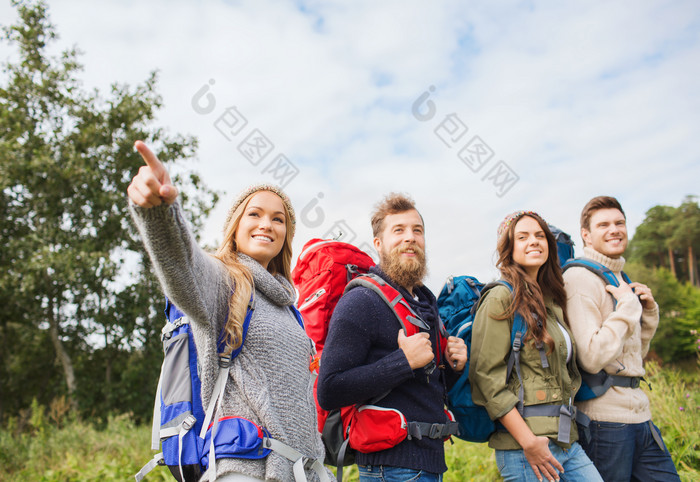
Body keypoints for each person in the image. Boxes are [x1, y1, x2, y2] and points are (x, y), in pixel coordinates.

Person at [127, 141, 331, 482]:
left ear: (286, 235)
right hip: (246, 469)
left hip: (303, 472)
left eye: (277, 219)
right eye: (255, 214)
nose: (267, 224)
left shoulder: (289, 308)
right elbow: (182, 266)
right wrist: (160, 213)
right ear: (235, 226)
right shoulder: (224, 281)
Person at [316, 193, 467, 482]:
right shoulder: (361, 301)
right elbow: (329, 390)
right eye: (398, 230)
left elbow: (426, 389)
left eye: (417, 230)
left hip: (430, 462)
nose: (410, 237)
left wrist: (453, 367)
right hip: (390, 469)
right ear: (379, 244)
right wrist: (403, 362)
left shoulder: (424, 304)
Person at [469, 211, 602, 482]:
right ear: (509, 248)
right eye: (523, 237)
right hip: (524, 448)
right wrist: (529, 442)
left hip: (566, 441)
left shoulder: (551, 302)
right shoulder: (500, 297)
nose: (534, 241)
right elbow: (486, 378)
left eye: (540, 235)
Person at [563, 196, 680, 481]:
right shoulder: (580, 279)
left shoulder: (618, 277)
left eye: (619, 223)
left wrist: (647, 312)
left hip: (640, 415)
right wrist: (628, 308)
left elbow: (633, 357)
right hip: (606, 422)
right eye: (603, 224)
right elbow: (591, 357)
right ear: (586, 235)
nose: (614, 229)